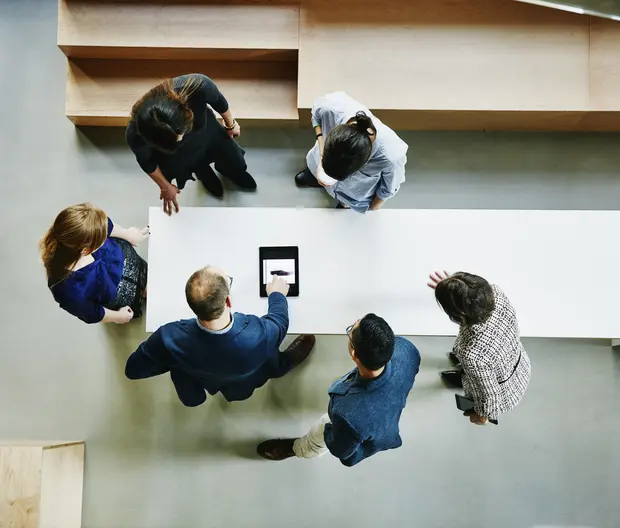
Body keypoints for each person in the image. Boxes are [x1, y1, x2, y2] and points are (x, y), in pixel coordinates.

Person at [125, 266, 315, 406]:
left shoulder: (168, 338)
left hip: (207, 379)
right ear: (229, 300)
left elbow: (133, 370)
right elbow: (280, 322)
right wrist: (277, 295)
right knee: (269, 355)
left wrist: (174, 362)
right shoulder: (258, 332)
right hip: (246, 378)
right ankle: (283, 365)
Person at [257, 314, 420, 467]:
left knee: (318, 437)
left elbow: (340, 449)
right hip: (384, 409)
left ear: (354, 353)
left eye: (350, 332)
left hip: (359, 425)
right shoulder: (407, 350)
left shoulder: (348, 414)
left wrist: (329, 430)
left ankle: (298, 449)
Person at [126, 73, 256, 215]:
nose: (181, 139)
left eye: (181, 132)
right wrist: (164, 186)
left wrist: (230, 124)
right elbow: (147, 162)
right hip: (176, 156)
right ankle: (204, 172)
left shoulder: (198, 86)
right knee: (195, 165)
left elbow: (219, 101)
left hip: (209, 134)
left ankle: (232, 172)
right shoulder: (135, 133)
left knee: (235, 160)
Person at [428, 271, 532, 425]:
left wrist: (483, 416)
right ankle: (467, 374)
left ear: (459, 312)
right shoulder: (496, 293)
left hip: (505, 390)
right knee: (471, 365)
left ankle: (466, 377)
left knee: (475, 377)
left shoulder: (471, 354)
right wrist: (456, 289)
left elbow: (490, 394)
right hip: (517, 363)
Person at [294, 91, 408, 213]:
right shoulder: (331, 107)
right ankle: (313, 173)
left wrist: (372, 210)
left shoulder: (391, 157)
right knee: (313, 171)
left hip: (352, 194)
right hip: (317, 162)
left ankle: (344, 203)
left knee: (344, 209)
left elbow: (387, 190)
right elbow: (316, 115)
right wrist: (321, 149)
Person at [40, 203, 149, 324]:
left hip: (123, 258)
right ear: (87, 250)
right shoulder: (66, 289)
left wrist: (128, 234)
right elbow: (92, 312)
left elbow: (106, 225)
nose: (106, 234)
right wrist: (118, 317)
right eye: (102, 238)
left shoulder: (87, 226)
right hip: (120, 294)